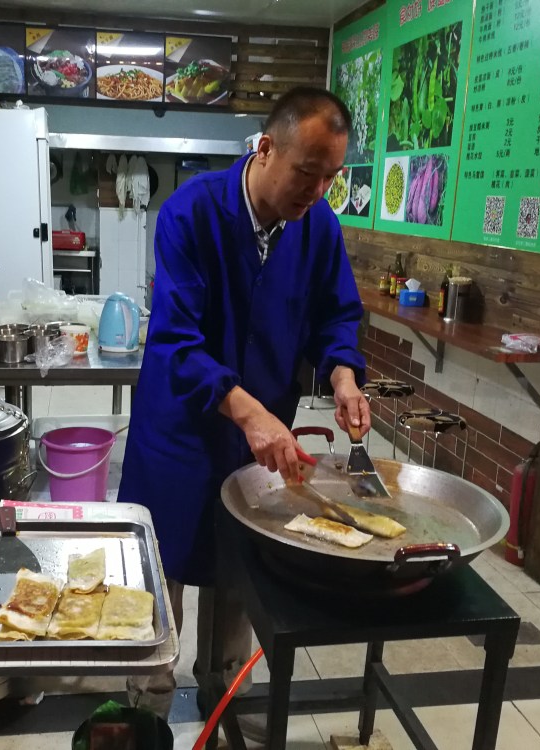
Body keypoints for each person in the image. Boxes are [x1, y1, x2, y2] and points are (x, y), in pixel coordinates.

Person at [118, 86, 370, 719]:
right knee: (161, 576)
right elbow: (176, 339)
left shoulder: (318, 227)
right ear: (265, 149)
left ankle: (225, 695)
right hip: (179, 433)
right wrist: (248, 410)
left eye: (331, 177)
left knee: (240, 570)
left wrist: (343, 374)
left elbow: (335, 315)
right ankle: (145, 707)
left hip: (257, 438)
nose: (317, 191)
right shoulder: (191, 213)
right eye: (307, 172)